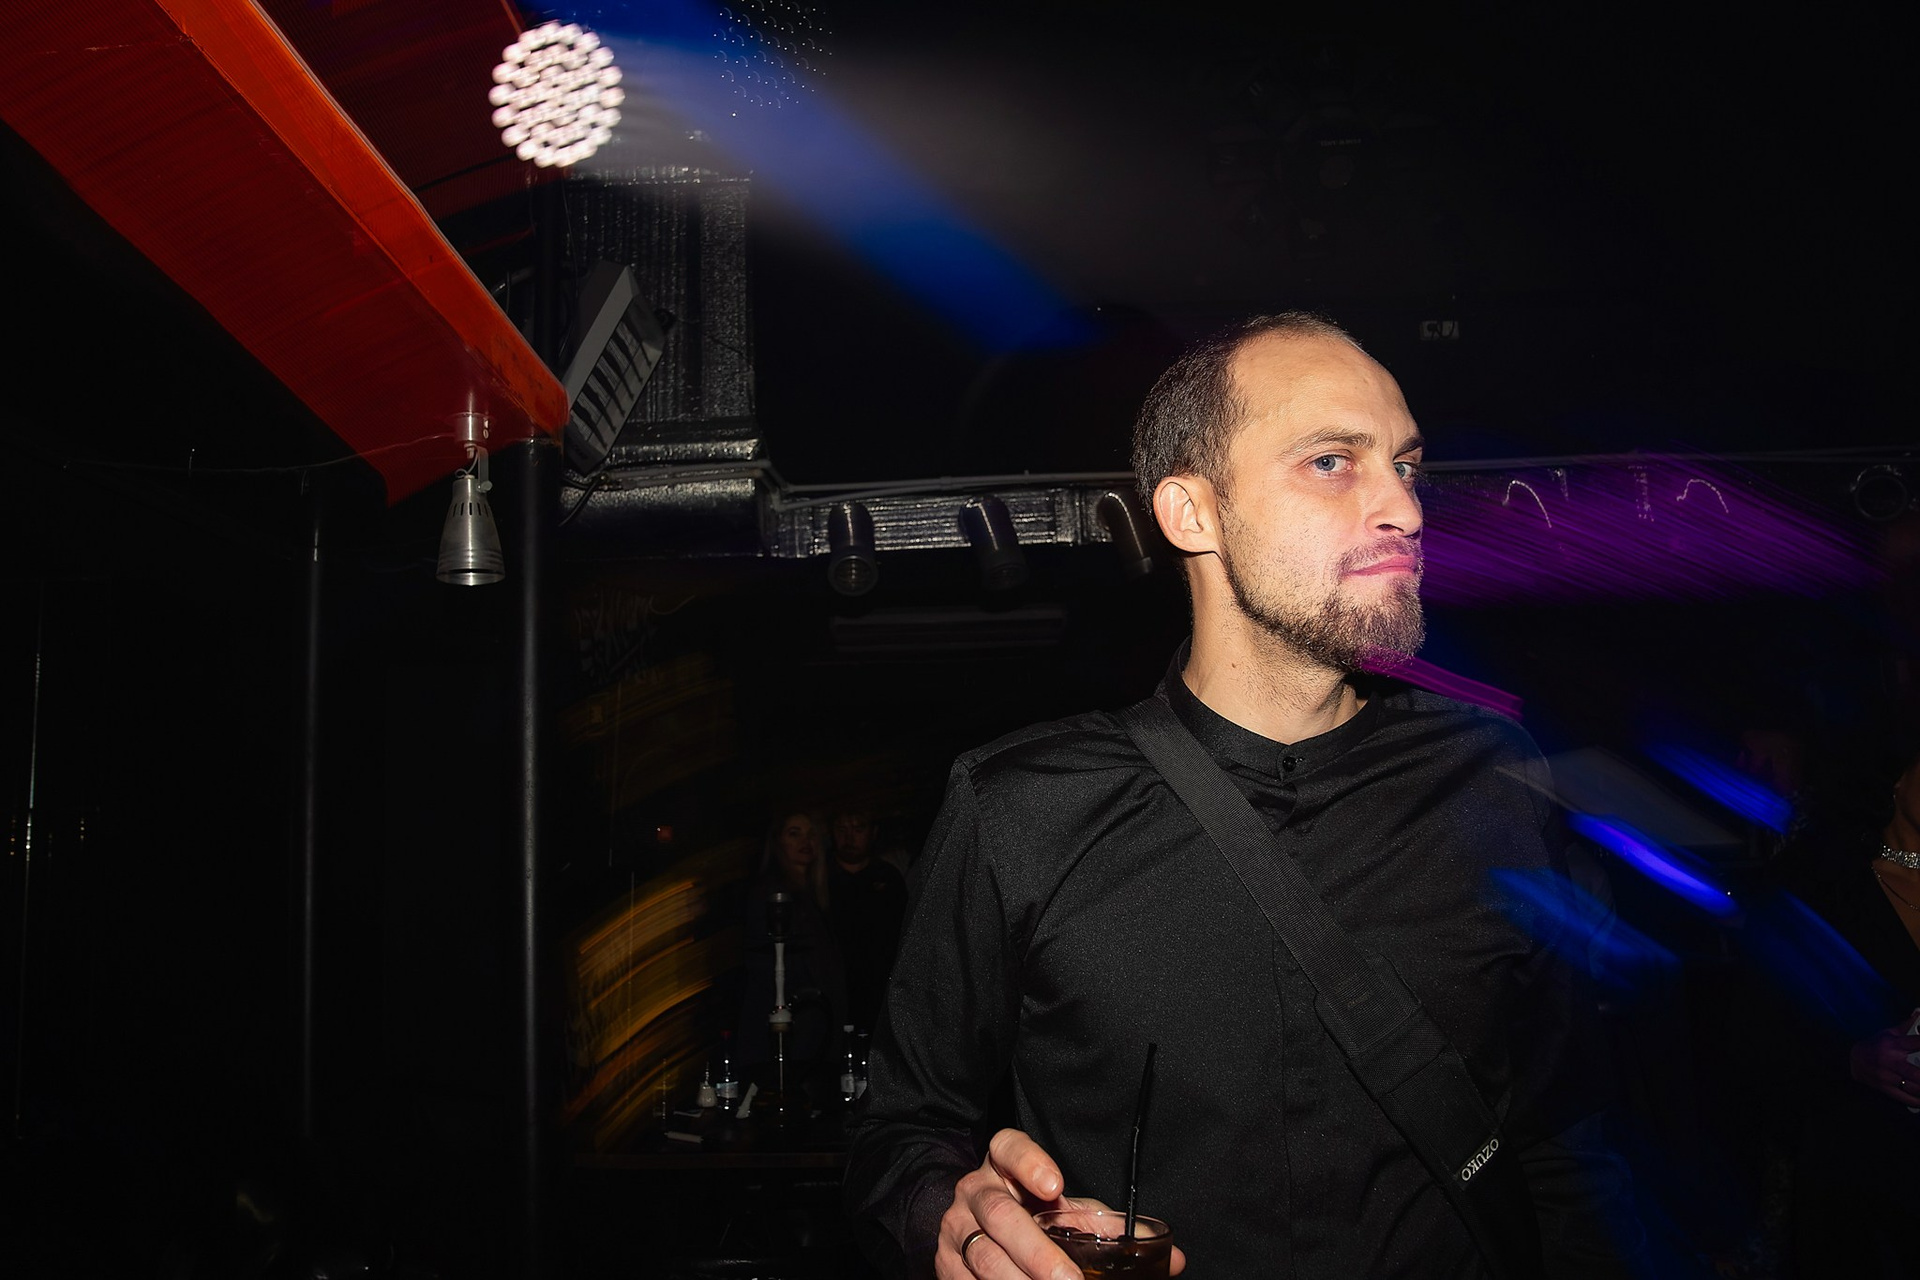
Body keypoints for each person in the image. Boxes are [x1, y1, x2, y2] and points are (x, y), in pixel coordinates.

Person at [844, 314, 1644, 1279]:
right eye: (1331, 463)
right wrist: (950, 1212)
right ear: (1193, 514)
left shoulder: (1494, 781)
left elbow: (1565, 1135)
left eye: (1405, 465)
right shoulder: (1020, 808)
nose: (1404, 506)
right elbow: (901, 1128)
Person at [736, 811, 848, 1101]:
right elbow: (767, 966)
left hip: (816, 1028)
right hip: (791, 1032)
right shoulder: (773, 895)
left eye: (811, 834)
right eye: (794, 833)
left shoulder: (815, 893)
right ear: (777, 842)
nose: (805, 841)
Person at [827, 807, 910, 1034]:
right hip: (833, 989)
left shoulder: (887, 877)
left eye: (858, 829)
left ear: (873, 833)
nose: (849, 837)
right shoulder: (821, 878)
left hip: (878, 989)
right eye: (842, 829)